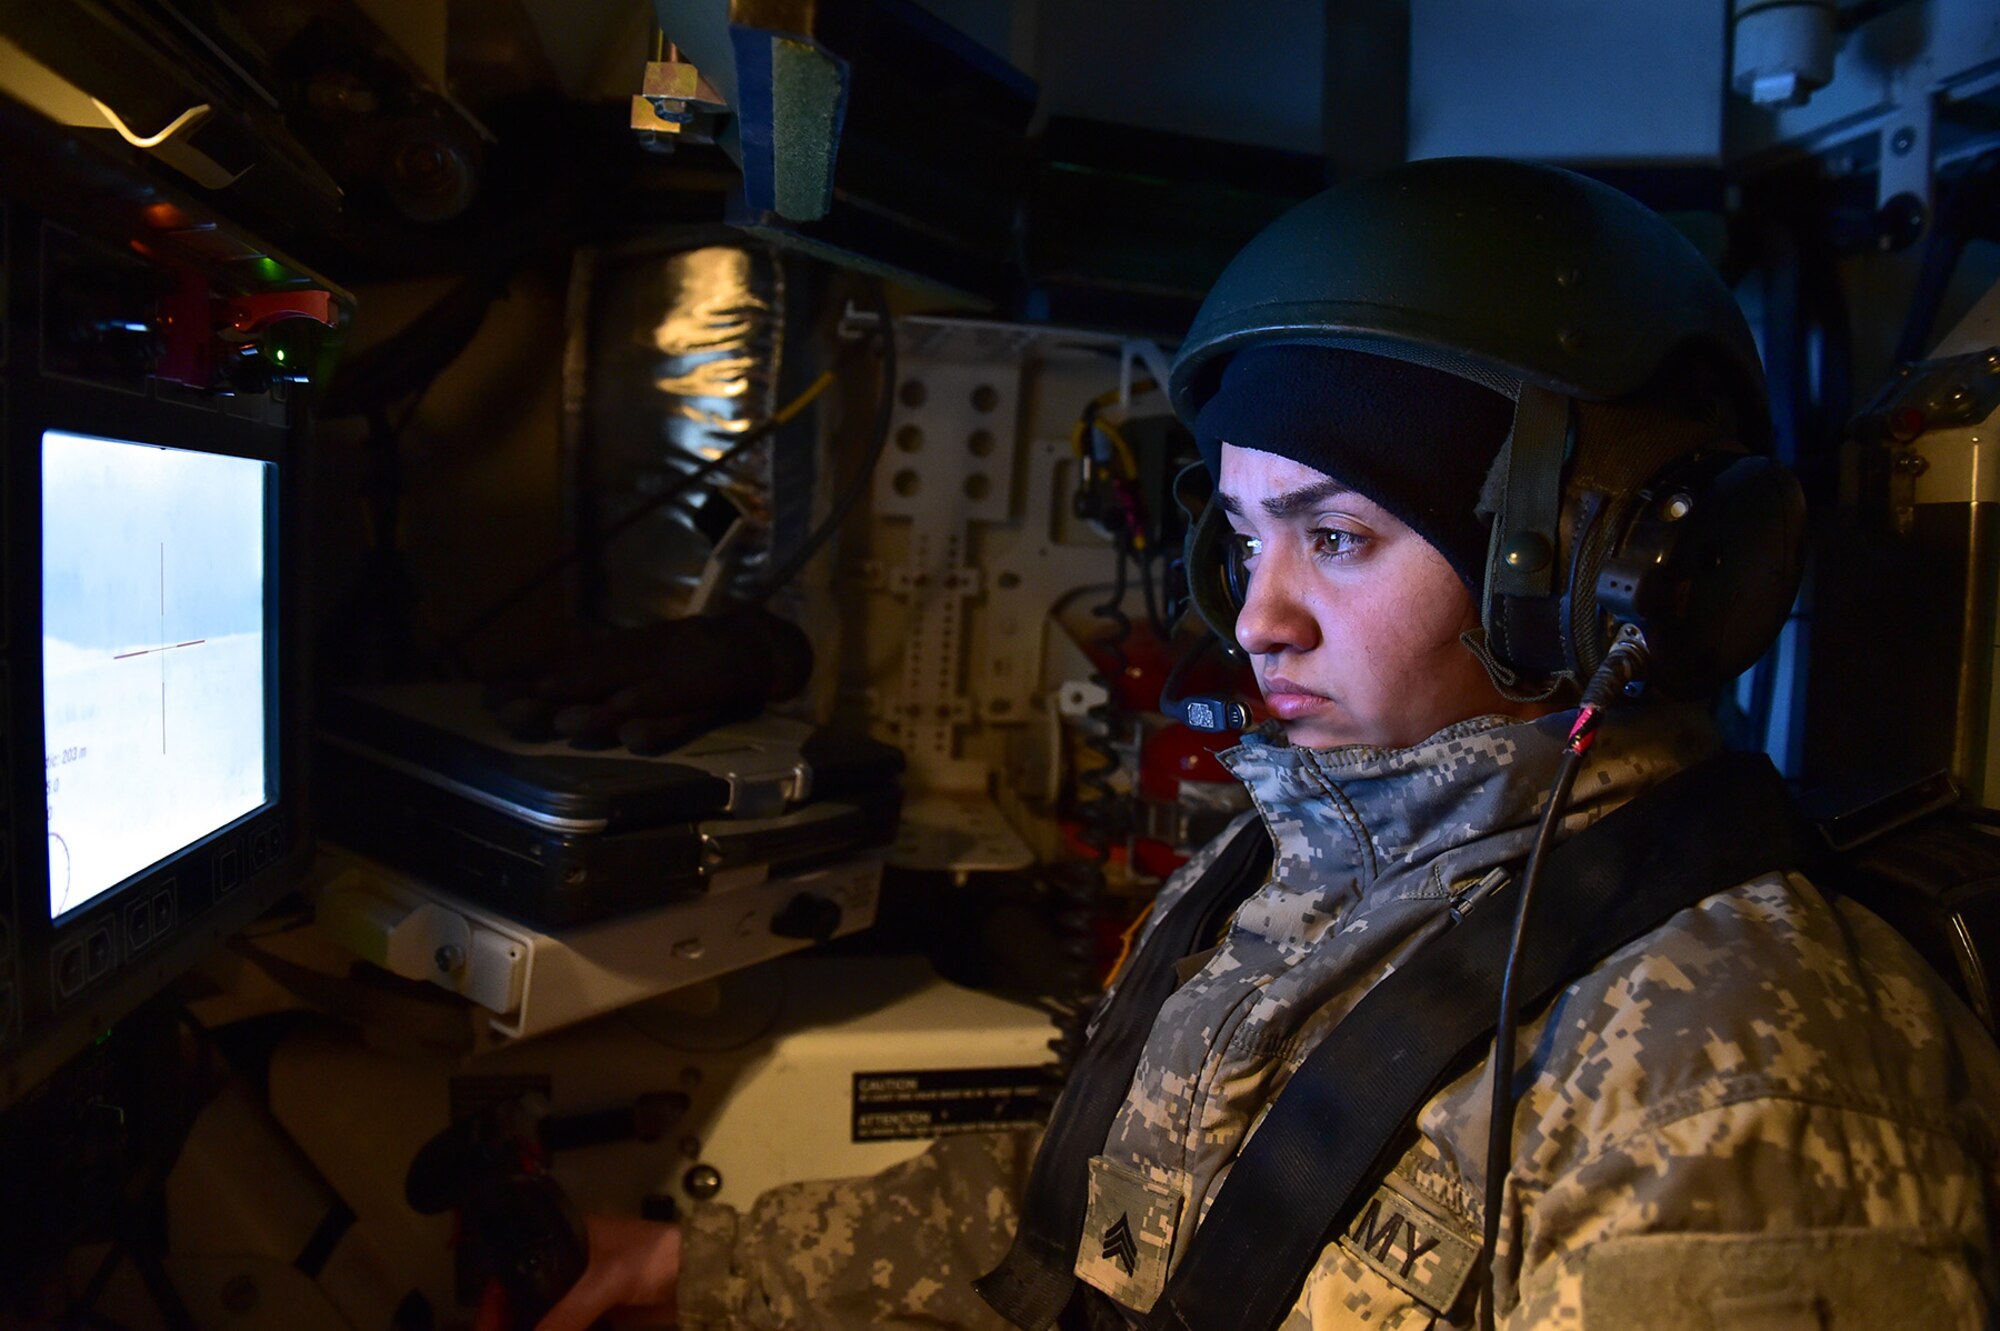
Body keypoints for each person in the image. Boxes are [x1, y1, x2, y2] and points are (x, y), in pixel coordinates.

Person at [535, 158, 2000, 1331]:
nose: (1257, 620)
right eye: (1242, 539)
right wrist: (715, 1275)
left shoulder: (1725, 1064)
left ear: (1587, 572)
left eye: (1339, 536)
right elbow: (1091, 1220)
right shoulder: (1297, 864)